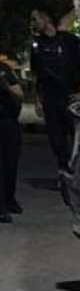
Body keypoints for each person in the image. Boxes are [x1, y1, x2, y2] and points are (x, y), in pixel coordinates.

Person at [30, 9, 80, 184]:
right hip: (50, 99)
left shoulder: (70, 40)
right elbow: (36, 74)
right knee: (56, 139)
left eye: (35, 19)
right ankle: (64, 173)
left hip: (71, 96)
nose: (33, 23)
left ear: (46, 19)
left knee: (77, 137)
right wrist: (37, 99)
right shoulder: (37, 45)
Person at [0, 54, 24, 223]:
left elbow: (19, 93)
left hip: (8, 121)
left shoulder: (4, 69)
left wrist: (5, 86)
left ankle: (9, 199)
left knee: (11, 162)